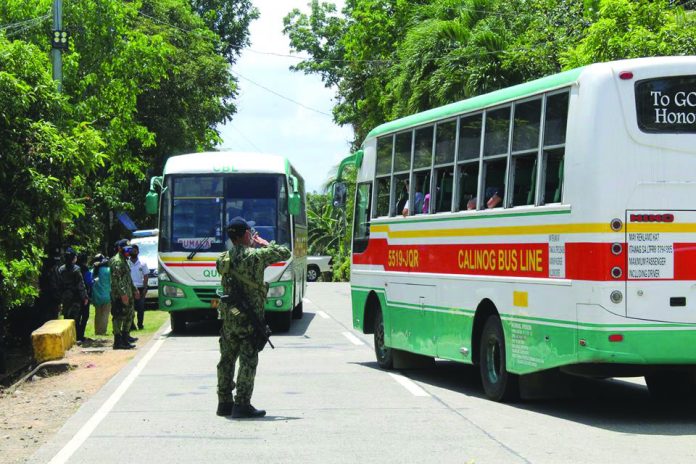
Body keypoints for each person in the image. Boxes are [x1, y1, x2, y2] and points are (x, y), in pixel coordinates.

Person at [216, 217, 291, 419]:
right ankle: (241, 404)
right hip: (249, 320)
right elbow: (285, 252)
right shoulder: (255, 257)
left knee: (226, 360)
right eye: (250, 233)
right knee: (248, 361)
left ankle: (224, 402)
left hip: (230, 317)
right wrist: (264, 243)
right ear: (246, 235)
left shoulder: (223, 258)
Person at [109, 239, 138, 350]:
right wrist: (123, 294)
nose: (128, 252)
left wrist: (134, 289)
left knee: (129, 315)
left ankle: (125, 338)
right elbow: (117, 280)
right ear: (120, 249)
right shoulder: (117, 261)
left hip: (128, 293)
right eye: (126, 249)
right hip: (119, 295)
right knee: (119, 316)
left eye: (129, 249)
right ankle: (118, 341)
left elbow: (128, 278)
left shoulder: (124, 260)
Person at [58, 248, 88, 333]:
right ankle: (74, 336)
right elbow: (80, 285)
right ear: (73, 258)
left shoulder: (61, 269)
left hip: (65, 297)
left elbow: (59, 284)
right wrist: (85, 297)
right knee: (75, 318)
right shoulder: (76, 269)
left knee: (66, 318)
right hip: (75, 297)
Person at [128, 244, 149, 330]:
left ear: (138, 252)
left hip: (140, 288)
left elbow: (146, 276)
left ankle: (140, 324)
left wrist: (144, 288)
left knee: (140, 308)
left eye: (135, 251)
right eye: (132, 251)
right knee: (130, 308)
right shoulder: (127, 263)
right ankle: (132, 325)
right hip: (129, 288)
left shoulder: (143, 264)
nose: (133, 252)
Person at [91, 254, 111, 335]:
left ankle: (97, 331)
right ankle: (103, 331)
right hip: (106, 296)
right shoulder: (108, 270)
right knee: (105, 315)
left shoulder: (92, 271)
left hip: (96, 297)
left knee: (98, 314)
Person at [76, 254, 93, 343]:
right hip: (85, 295)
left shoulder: (74, 267)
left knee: (77, 316)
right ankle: (80, 335)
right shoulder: (85, 268)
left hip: (75, 296)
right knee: (85, 315)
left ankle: (77, 335)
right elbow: (88, 282)